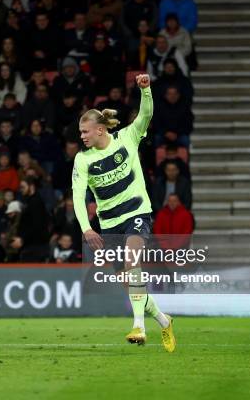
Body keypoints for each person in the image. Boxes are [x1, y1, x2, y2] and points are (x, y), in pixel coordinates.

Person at [72, 74, 176, 352]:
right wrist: (86, 228)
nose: (81, 137)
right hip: (109, 224)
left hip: (137, 212)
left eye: (85, 132)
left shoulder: (127, 138)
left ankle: (139, 327)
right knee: (131, 283)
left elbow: (146, 115)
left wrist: (146, 91)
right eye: (80, 133)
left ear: (100, 131)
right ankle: (165, 321)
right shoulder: (83, 160)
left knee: (132, 262)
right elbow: (77, 196)